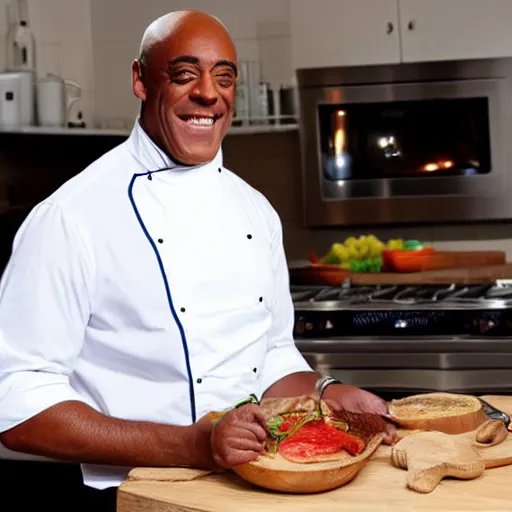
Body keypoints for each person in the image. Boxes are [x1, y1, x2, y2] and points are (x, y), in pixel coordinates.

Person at [0, 9, 395, 511]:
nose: (208, 94)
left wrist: (329, 392)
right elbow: (15, 403)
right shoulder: (70, 217)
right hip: (133, 496)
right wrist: (192, 446)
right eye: (185, 74)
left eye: (224, 78)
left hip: (259, 488)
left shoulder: (255, 210)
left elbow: (269, 355)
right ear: (141, 80)